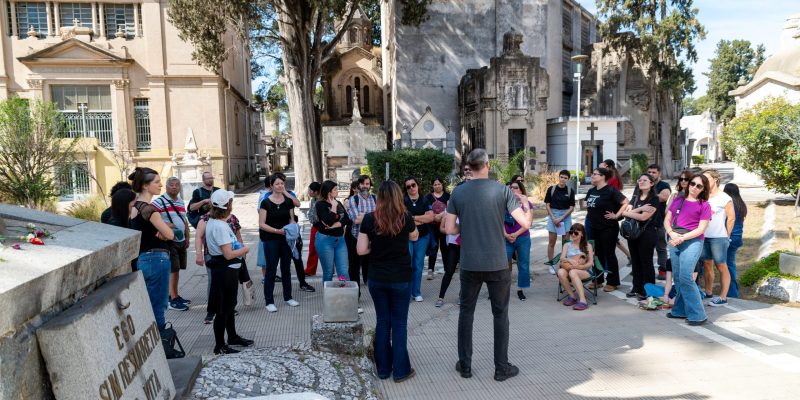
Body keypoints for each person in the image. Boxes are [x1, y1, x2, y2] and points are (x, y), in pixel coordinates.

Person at [443, 148, 532, 382]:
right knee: (500, 314)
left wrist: (467, 226)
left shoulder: (458, 193)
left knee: (466, 312)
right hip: (497, 263)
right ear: (488, 165)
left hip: (470, 263)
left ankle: (465, 365)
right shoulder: (502, 190)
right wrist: (526, 205)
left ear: (469, 167)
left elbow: (450, 229)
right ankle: (501, 368)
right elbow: (525, 222)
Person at [357, 180, 419, 382]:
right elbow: (414, 237)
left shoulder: (368, 219)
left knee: (383, 321)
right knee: (399, 324)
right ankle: (401, 371)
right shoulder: (405, 217)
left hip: (377, 277)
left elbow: (361, 250)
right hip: (401, 277)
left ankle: (383, 369)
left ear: (380, 198)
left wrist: (377, 247)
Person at [204, 189, 254, 354]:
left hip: (227, 269)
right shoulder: (219, 226)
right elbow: (228, 254)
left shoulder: (213, 221)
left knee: (229, 305)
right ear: (227, 206)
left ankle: (232, 337)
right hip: (225, 270)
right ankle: (220, 345)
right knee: (223, 308)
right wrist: (245, 249)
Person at [128, 167, 175, 329]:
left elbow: (148, 231)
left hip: (144, 259)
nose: (160, 185)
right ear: (145, 186)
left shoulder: (135, 207)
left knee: (150, 303)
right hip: (157, 259)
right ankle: (162, 342)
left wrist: (161, 230)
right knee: (159, 305)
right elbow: (171, 235)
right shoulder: (149, 209)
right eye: (157, 182)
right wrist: (165, 230)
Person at [664, 174, 712, 326]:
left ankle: (698, 315)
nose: (694, 187)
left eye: (699, 186)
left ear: (703, 189)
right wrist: (671, 234)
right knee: (677, 277)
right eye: (693, 184)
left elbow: (701, 229)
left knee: (686, 277)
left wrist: (682, 238)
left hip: (692, 241)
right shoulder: (679, 199)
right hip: (674, 239)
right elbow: (666, 220)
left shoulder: (704, 205)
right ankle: (680, 310)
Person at [195, 206, 251, 324]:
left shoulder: (232, 219)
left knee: (230, 288)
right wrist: (198, 254)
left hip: (233, 257)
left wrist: (241, 250)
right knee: (215, 284)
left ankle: (228, 309)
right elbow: (199, 237)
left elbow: (238, 236)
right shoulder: (207, 220)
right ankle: (212, 311)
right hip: (216, 257)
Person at [259, 173, 299, 313]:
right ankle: (269, 301)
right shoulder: (266, 202)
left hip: (286, 239)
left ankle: (288, 297)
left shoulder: (288, 201)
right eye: (277, 184)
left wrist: (292, 227)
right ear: (271, 186)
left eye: (282, 183)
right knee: (271, 269)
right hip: (271, 240)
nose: (280, 186)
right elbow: (262, 224)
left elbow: (292, 218)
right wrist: (277, 231)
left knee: (286, 268)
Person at [585, 167, 628, 292]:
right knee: (596, 254)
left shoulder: (610, 190)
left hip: (608, 227)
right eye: (592, 174)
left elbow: (625, 202)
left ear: (603, 176)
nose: (592, 176)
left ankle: (613, 281)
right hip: (594, 227)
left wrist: (616, 215)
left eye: (595, 174)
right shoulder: (592, 190)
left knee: (609, 254)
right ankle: (598, 280)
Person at [152, 177, 192, 312]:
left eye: (177, 185)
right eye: (171, 185)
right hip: (169, 240)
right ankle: (172, 300)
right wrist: (166, 225)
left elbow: (184, 220)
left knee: (177, 269)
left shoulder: (180, 201)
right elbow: (150, 218)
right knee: (173, 270)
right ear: (166, 187)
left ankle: (174, 294)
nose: (174, 187)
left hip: (180, 240)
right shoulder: (159, 202)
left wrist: (187, 236)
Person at [436, 166, 472, 308]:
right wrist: (452, 230)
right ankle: (441, 297)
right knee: (449, 270)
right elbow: (443, 228)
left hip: (467, 244)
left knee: (465, 271)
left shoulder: (471, 209)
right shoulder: (450, 208)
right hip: (453, 244)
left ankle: (461, 296)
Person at [621, 174, 660, 300]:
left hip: (647, 234)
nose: (641, 182)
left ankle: (647, 290)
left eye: (645, 180)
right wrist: (641, 208)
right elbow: (623, 213)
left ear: (651, 184)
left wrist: (632, 212)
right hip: (633, 234)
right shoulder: (635, 197)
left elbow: (643, 217)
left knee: (646, 263)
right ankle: (636, 288)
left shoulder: (654, 199)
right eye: (640, 180)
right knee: (635, 262)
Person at [701, 169, 735, 306]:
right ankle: (708, 292)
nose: (704, 182)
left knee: (721, 265)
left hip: (718, 238)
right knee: (707, 264)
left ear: (715, 179)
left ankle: (723, 297)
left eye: (706, 179)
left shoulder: (725, 198)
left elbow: (731, 218)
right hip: (703, 236)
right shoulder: (702, 196)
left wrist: (727, 235)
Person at [404, 177, 434, 302]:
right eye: (408, 186)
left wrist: (413, 218)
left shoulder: (424, 199)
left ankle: (416, 292)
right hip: (408, 237)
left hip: (423, 237)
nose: (411, 188)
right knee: (408, 264)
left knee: (418, 264)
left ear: (417, 185)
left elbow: (431, 217)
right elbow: (403, 219)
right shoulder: (403, 201)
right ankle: (406, 293)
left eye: (413, 185)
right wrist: (421, 219)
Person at [314, 180, 351, 282]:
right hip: (325, 240)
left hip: (340, 240)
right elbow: (328, 221)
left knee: (343, 271)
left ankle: (344, 294)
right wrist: (333, 207)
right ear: (329, 192)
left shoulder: (338, 202)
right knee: (329, 272)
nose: (337, 191)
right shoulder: (320, 205)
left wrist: (336, 225)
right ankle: (329, 296)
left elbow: (347, 219)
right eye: (335, 189)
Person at [505, 180, 534, 301]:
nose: (512, 190)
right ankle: (500, 289)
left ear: (521, 190)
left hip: (522, 238)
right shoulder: (503, 203)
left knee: (523, 264)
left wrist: (515, 234)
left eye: (516, 188)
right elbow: (498, 221)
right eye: (510, 188)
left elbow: (529, 223)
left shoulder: (528, 204)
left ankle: (520, 289)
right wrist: (506, 234)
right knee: (503, 265)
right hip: (506, 238)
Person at [347, 175, 376, 292]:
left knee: (372, 266)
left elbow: (380, 217)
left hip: (373, 238)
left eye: (367, 184)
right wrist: (372, 216)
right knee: (354, 268)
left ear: (370, 185)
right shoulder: (353, 200)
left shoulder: (375, 198)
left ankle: (373, 290)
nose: (365, 186)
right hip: (356, 237)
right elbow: (356, 220)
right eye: (363, 183)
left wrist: (364, 215)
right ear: (358, 185)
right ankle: (355, 294)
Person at [556, 223, 595, 310]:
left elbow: (590, 263)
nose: (573, 234)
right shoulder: (567, 245)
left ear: (582, 234)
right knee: (560, 272)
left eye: (576, 233)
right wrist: (570, 260)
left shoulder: (587, 246)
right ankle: (572, 296)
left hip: (584, 270)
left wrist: (579, 267)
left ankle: (583, 301)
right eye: (571, 232)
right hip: (570, 268)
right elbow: (562, 258)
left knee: (573, 272)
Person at [599, 160, 631, 266]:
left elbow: (612, 194)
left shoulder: (611, 179)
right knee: (614, 240)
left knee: (611, 239)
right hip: (611, 209)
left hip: (610, 210)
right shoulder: (613, 176)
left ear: (607, 167)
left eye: (601, 166)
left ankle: (628, 257)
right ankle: (630, 256)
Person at [544, 170, 576, 274]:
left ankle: (564, 263)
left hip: (565, 216)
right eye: (561, 177)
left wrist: (561, 218)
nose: (563, 179)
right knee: (551, 242)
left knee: (566, 242)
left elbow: (571, 207)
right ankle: (551, 264)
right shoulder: (551, 189)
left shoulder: (570, 190)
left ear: (568, 179)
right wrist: (553, 217)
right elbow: (547, 204)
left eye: (565, 178)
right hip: (553, 215)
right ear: (559, 177)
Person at [647, 164, 672, 281]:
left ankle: (662, 269)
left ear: (659, 173)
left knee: (661, 248)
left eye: (653, 172)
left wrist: (646, 192)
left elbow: (663, 197)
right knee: (645, 248)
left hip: (658, 222)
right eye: (649, 172)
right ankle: (644, 269)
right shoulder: (644, 183)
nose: (651, 174)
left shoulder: (664, 185)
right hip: (644, 222)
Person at [723, 183, 746, 298]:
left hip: (729, 237)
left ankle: (732, 292)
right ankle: (732, 291)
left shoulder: (729, 204)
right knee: (730, 264)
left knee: (728, 265)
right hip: (737, 238)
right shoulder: (741, 204)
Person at [426, 177, 450, 280]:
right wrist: (434, 216)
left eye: (439, 184)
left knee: (445, 248)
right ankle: (430, 270)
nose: (437, 186)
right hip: (432, 226)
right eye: (435, 184)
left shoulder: (447, 195)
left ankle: (446, 270)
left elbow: (450, 208)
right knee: (433, 247)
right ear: (433, 186)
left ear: (442, 185)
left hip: (444, 225)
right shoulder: (428, 197)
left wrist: (441, 215)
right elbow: (426, 210)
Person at [304, 182, 322, 276]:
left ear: (316, 192)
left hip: (322, 227)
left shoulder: (322, 201)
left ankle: (331, 270)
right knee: (312, 249)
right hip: (315, 226)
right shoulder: (313, 200)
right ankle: (310, 270)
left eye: (310, 190)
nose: (308, 192)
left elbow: (314, 216)